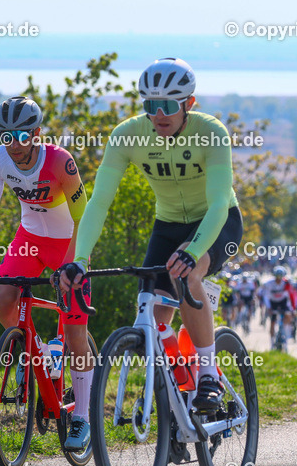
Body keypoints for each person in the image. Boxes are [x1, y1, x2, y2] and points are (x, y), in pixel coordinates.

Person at [59, 57, 243, 415]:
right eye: (150, 104)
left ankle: (209, 377)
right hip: (168, 225)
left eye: (169, 106)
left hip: (217, 222)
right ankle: (179, 382)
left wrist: (194, 251)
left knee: (186, 274)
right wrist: (79, 260)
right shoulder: (128, 134)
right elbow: (99, 202)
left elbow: (220, 202)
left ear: (189, 103)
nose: (159, 114)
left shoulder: (211, 131)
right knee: (153, 314)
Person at [0, 96, 93, 449]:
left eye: (21, 135)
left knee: (75, 332)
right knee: (3, 300)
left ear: (36, 133)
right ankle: (39, 353)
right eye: (6, 137)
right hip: (30, 239)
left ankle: (83, 416)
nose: (14, 144)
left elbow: (84, 216)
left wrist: (75, 263)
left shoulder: (60, 162)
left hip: (69, 242)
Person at [261, 266, 297, 347]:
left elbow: (290, 296)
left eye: (280, 278)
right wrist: (269, 307)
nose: (279, 280)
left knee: (288, 316)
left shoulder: (286, 283)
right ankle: (272, 342)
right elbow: (266, 296)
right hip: (273, 303)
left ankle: (286, 336)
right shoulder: (269, 284)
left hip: (282, 302)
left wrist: (292, 308)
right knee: (272, 322)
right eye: (277, 278)